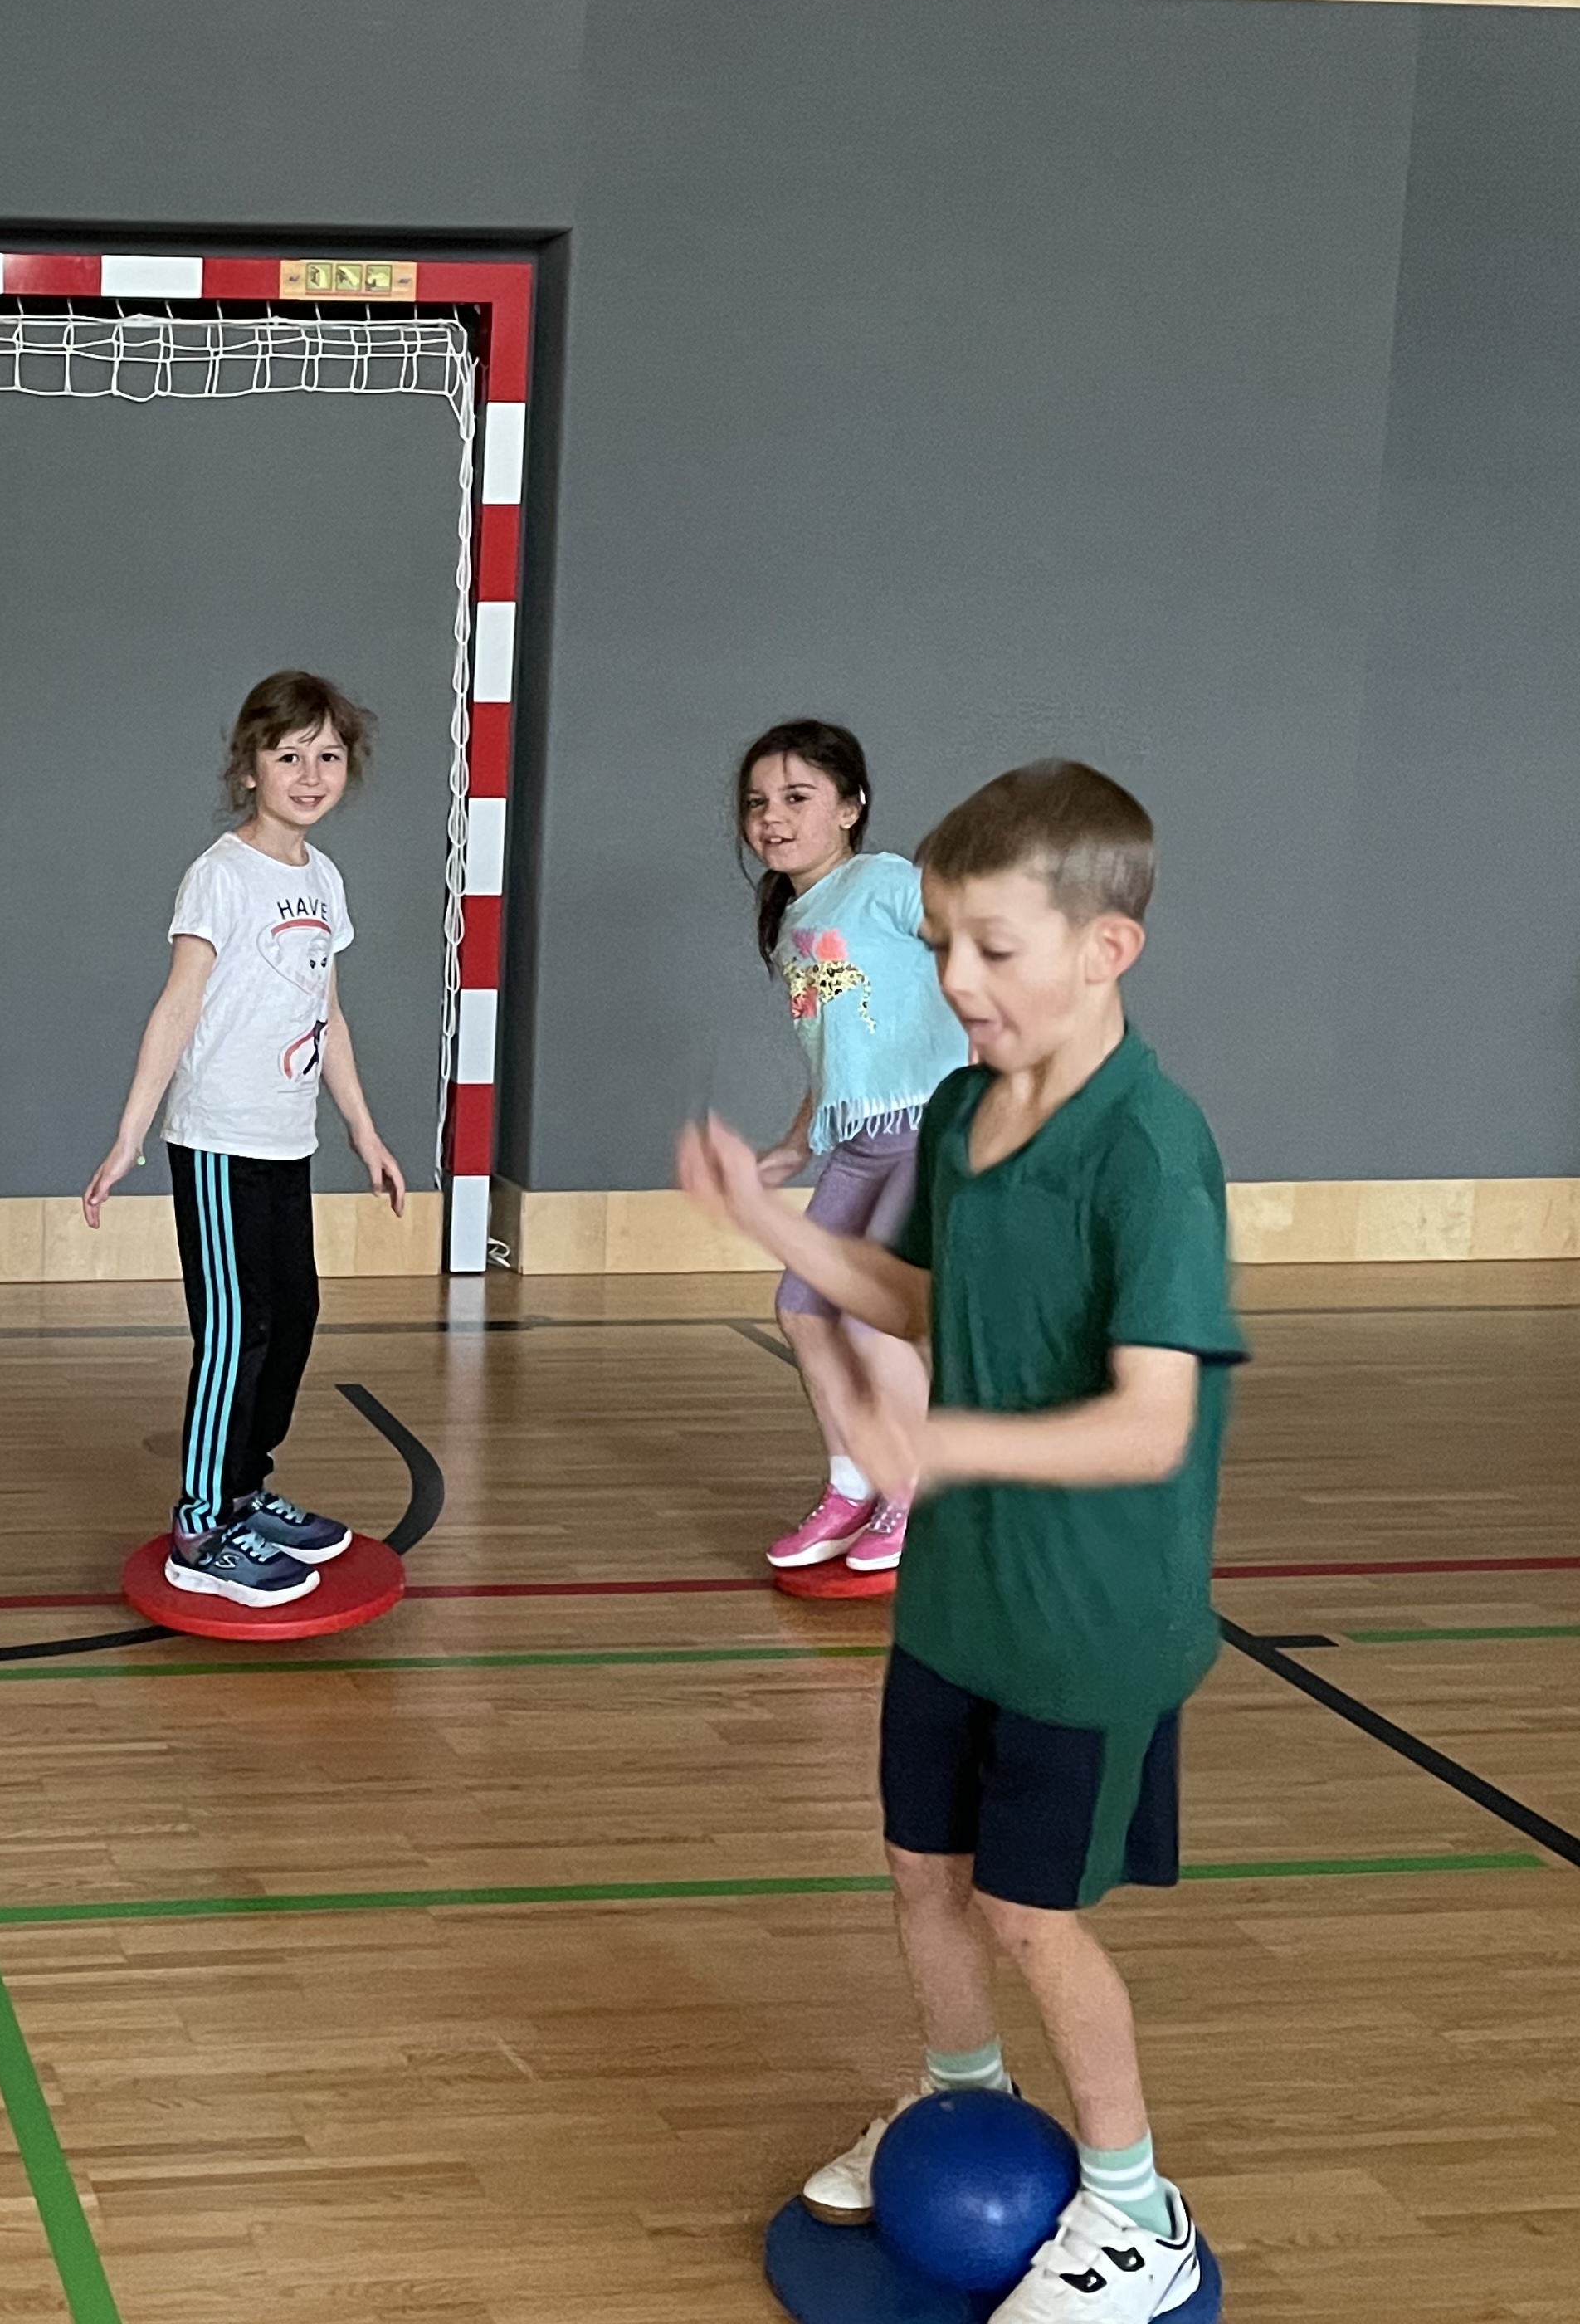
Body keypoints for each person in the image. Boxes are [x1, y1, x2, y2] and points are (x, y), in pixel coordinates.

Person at [677, 759, 1235, 2324]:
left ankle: (1134, 2207)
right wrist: (769, 1222)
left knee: (1029, 1912)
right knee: (922, 1870)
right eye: (938, 946)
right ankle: (956, 2097)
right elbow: (925, 1299)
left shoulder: (1149, 1150)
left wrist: (956, 1444)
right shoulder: (962, 1107)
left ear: (1105, 947)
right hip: (957, 1595)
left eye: (992, 947)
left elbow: (1152, 1422)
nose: (955, 981)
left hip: (1088, 1618)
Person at [82, 671, 407, 1609]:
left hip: (285, 1139)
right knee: (237, 1328)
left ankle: (241, 1491)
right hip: (219, 1139)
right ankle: (200, 1526)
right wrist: (130, 1135)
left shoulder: (324, 880)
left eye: (328, 756)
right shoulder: (221, 876)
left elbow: (327, 1015)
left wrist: (364, 1130)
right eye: (289, 755)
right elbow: (178, 1006)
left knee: (293, 1315)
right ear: (250, 767)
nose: (310, 775)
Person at [732, 720, 963, 1579]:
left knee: (872, 1316)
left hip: (931, 1133)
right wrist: (795, 1145)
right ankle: (852, 1482)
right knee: (803, 1306)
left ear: (850, 807)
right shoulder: (795, 918)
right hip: (860, 1146)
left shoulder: (887, 882)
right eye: (758, 803)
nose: (773, 818)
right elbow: (840, 1057)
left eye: (798, 798)